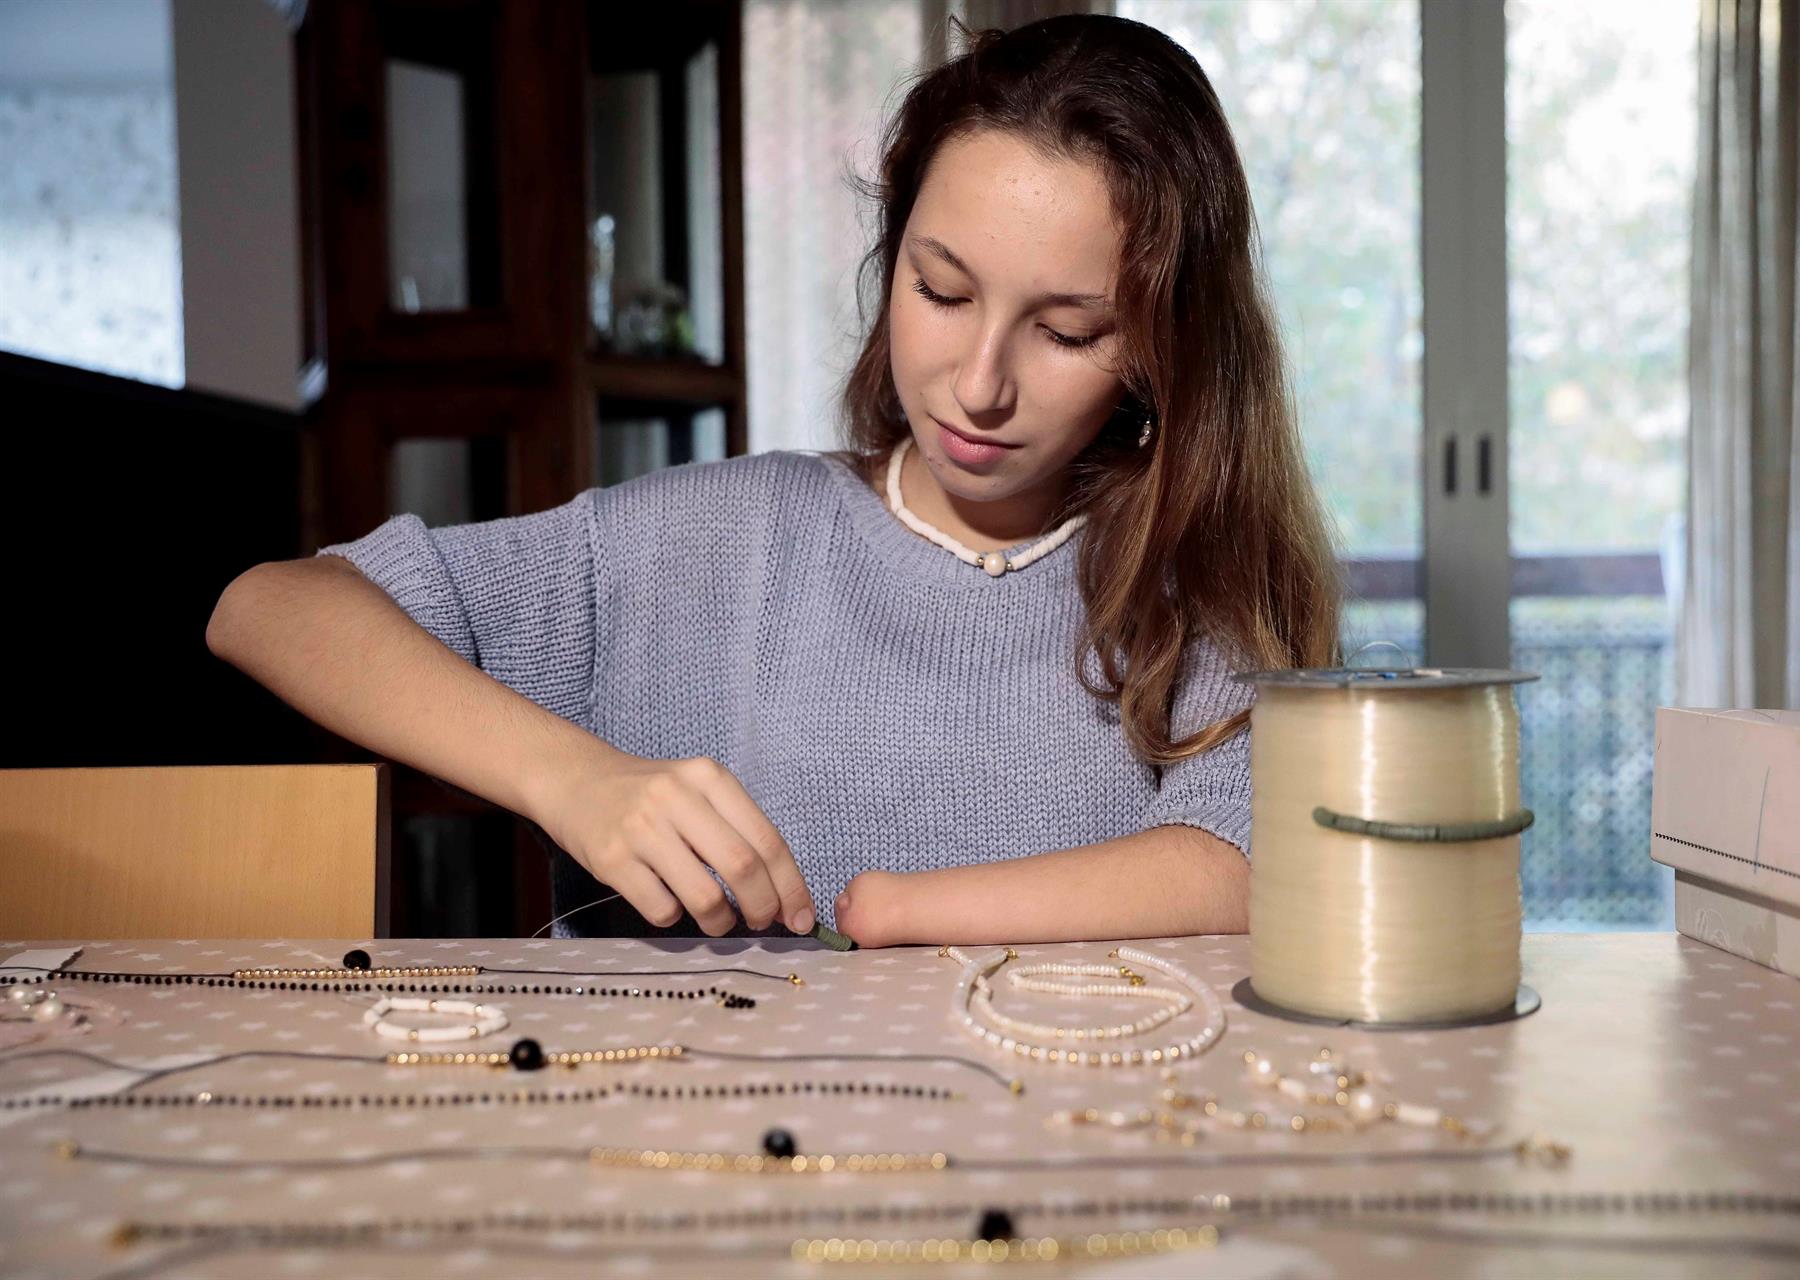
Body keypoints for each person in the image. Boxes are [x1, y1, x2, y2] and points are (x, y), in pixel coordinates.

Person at [206, 14, 1340, 948]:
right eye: (941, 291)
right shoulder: (715, 537)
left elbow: (1243, 866)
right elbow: (269, 606)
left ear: (1158, 351)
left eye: (1067, 329)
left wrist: (894, 908)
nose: (979, 382)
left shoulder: (1193, 580)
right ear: (890, 261)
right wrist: (574, 778)